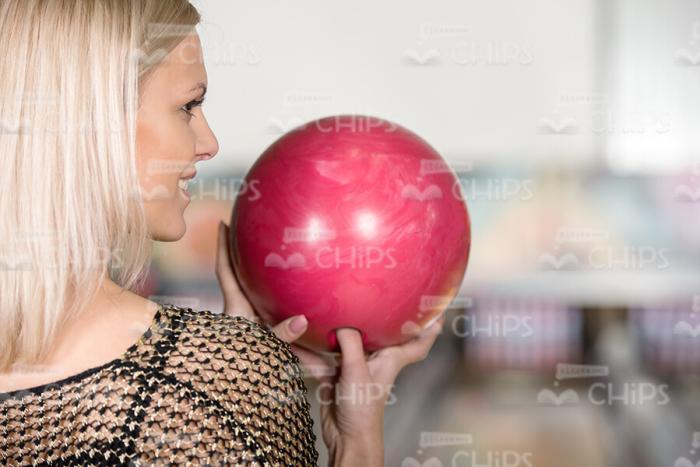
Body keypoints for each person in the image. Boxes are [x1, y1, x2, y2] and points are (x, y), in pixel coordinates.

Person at [0, 1, 445, 465]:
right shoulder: (211, 389)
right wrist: (351, 441)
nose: (209, 143)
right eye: (188, 106)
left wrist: (222, 366)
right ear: (97, 122)